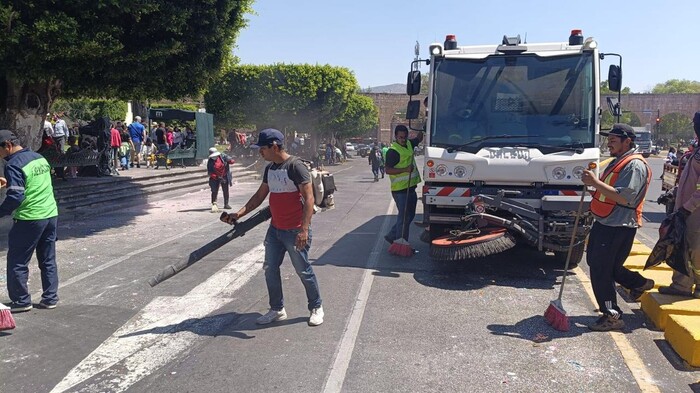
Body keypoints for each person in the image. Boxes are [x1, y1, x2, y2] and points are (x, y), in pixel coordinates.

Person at [220, 128, 324, 326]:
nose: (260, 152)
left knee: (303, 270)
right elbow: (260, 196)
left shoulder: (296, 167)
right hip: (275, 230)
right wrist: (238, 214)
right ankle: (277, 309)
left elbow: (309, 199)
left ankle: (316, 307)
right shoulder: (270, 169)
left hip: (295, 230)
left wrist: (304, 229)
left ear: (274, 146)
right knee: (269, 268)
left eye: (263, 148)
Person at [581, 123, 653, 331]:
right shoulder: (618, 161)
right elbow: (608, 191)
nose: (609, 144)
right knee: (604, 266)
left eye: (613, 140)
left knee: (602, 269)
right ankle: (638, 283)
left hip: (618, 226)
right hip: (606, 222)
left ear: (627, 141)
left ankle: (612, 316)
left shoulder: (634, 165)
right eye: (609, 140)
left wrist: (595, 183)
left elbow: (625, 197)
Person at [0, 130, 59, 312]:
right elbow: (34, 183)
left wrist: (1, 211)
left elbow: (17, 196)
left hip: (29, 217)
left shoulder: (13, 165)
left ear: (7, 145)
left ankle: (21, 300)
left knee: (17, 260)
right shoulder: (38, 158)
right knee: (47, 258)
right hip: (50, 214)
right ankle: (50, 298)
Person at [658, 113, 700, 298]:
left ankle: (693, 286)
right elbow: (690, 181)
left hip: (695, 212)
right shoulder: (697, 150)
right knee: (682, 245)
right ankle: (681, 286)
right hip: (688, 209)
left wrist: (687, 207)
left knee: (695, 249)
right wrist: (674, 194)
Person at [384, 125, 423, 245]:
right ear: (395, 136)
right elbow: (388, 170)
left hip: (411, 188)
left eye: (405, 137)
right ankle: (401, 242)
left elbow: (419, 138)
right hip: (400, 190)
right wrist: (405, 169)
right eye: (400, 137)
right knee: (403, 217)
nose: (403, 139)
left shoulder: (409, 144)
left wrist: (422, 127)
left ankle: (392, 236)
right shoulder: (393, 151)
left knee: (410, 216)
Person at [207, 147, 234, 213]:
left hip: (224, 175)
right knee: (214, 191)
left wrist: (229, 160)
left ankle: (226, 204)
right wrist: (216, 177)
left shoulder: (223, 156)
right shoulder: (210, 162)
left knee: (225, 190)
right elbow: (210, 172)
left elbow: (232, 161)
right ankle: (214, 204)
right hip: (215, 177)